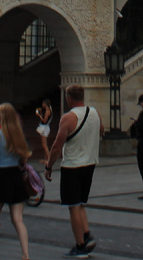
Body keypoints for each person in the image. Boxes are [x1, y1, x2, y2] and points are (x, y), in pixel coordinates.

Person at [44, 85, 103, 259]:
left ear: (69, 98)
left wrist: (49, 166)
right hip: (90, 163)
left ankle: (79, 246)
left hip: (73, 165)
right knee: (80, 203)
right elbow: (102, 131)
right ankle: (86, 235)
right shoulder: (95, 112)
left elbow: (57, 146)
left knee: (73, 205)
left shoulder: (69, 118)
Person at [0, 103, 32, 260]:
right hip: (15, 176)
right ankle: (25, 253)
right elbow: (24, 159)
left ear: (1, 116)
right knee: (18, 219)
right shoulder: (18, 135)